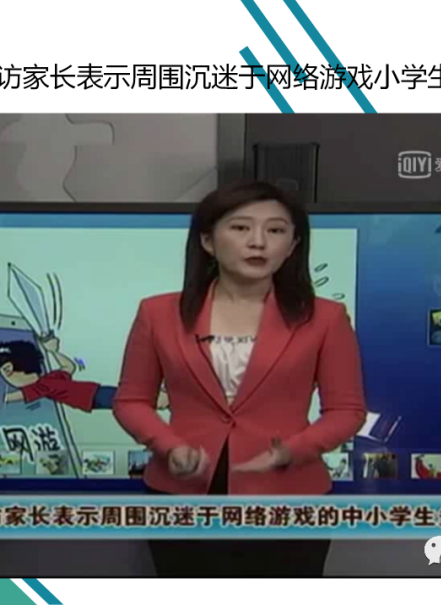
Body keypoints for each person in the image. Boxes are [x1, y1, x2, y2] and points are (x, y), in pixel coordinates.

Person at [112, 179, 367, 578]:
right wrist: (168, 446)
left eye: (276, 230)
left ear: (293, 246)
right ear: (208, 241)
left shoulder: (325, 318)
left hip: (290, 498)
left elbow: (347, 411)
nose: (258, 242)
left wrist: (293, 451)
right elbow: (131, 401)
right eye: (241, 227)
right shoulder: (157, 313)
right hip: (181, 496)